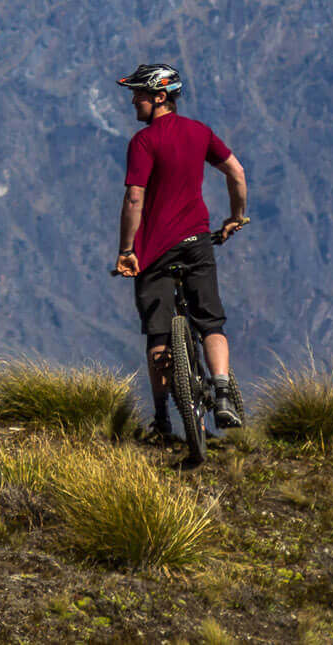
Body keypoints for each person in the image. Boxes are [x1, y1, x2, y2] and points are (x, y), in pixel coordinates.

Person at [111, 62, 250, 439]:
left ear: (160, 97)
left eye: (139, 94)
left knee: (158, 334)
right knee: (210, 322)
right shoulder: (200, 132)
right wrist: (236, 217)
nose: (134, 101)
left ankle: (162, 420)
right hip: (196, 242)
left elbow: (134, 197)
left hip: (154, 251)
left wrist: (126, 249)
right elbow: (236, 173)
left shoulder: (143, 142)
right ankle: (222, 392)